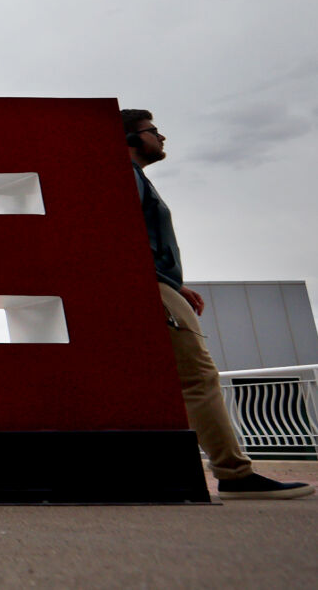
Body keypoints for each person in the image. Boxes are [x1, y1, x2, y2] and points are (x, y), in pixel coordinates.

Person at [121, 109, 311, 500]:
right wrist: (159, 282)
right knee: (198, 377)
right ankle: (234, 473)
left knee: (178, 379)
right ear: (130, 138)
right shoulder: (128, 177)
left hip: (155, 284)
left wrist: (173, 282)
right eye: (153, 131)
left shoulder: (135, 178)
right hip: (147, 286)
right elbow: (122, 234)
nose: (162, 137)